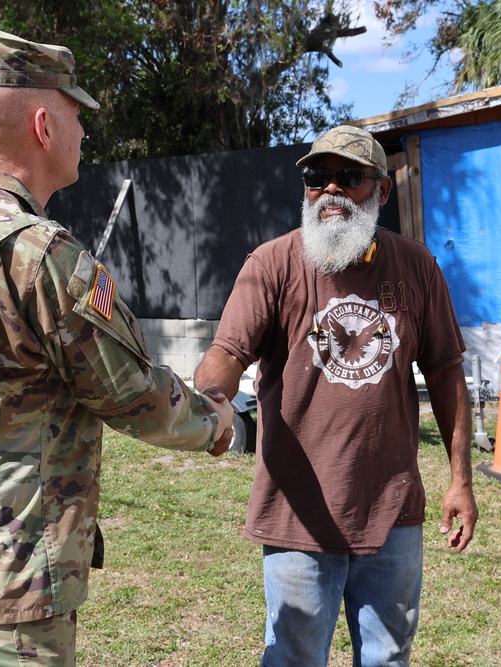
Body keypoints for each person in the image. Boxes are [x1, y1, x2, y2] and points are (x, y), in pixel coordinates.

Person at [0, 30, 233, 667]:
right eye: (75, 115)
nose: (83, 133)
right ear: (43, 124)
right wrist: (219, 424)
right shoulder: (38, 255)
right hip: (7, 596)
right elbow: (136, 399)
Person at [194, 125, 478, 667]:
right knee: (295, 658)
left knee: (388, 657)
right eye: (316, 178)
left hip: (392, 511)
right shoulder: (272, 264)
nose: (330, 192)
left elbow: (445, 372)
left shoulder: (416, 267)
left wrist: (460, 480)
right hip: (297, 512)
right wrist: (211, 403)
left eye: (348, 178)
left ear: (382, 191)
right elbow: (228, 352)